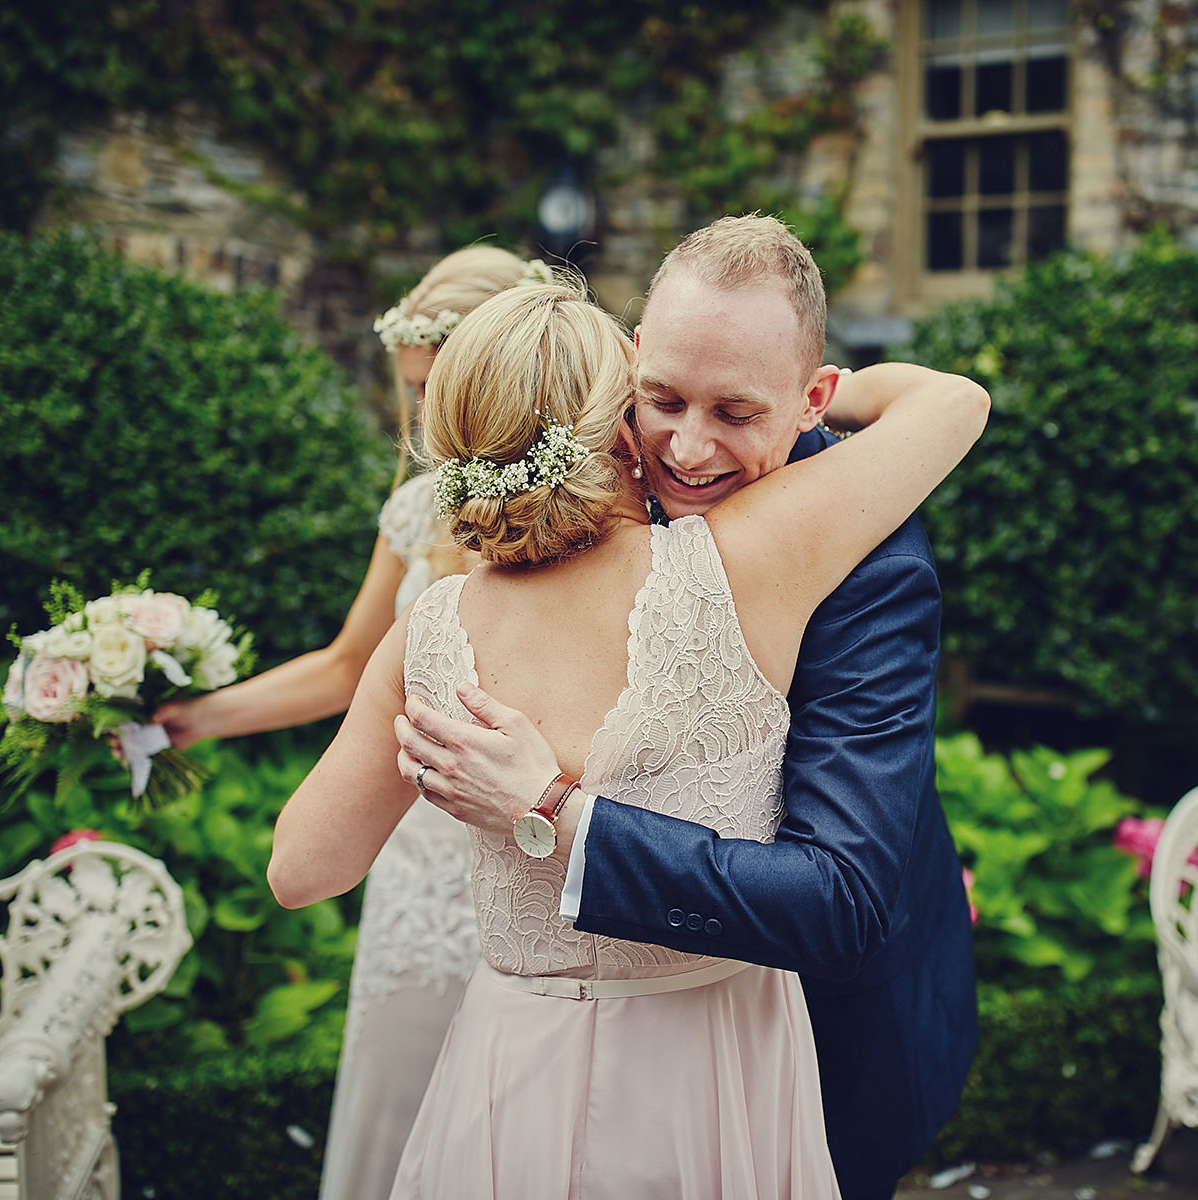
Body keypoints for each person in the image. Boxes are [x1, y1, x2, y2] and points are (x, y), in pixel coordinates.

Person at [267, 271, 988, 1198]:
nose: (687, 443)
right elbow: (952, 405)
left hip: (512, 1062)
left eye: (734, 409)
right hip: (717, 1064)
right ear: (623, 413)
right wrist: (818, 390)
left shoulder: (431, 632)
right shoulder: (752, 555)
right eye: (662, 402)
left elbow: (301, 870)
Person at [152, 245, 544, 1200]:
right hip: (412, 859)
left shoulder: (589, 512)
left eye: (440, 386)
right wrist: (196, 718)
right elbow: (346, 667)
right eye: (413, 391)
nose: (426, 416)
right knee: (397, 1102)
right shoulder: (414, 511)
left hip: (530, 851)